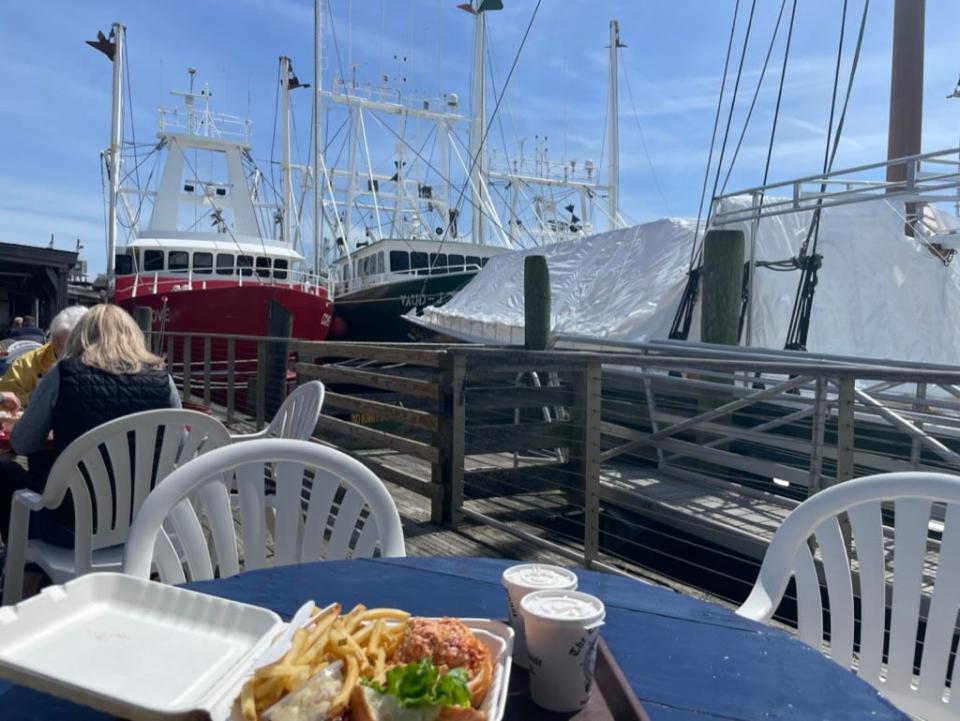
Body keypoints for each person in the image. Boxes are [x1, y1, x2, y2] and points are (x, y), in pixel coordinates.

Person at [1, 304, 181, 545]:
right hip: (145, 525)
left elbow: (22, 443)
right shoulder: (164, 380)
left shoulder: (62, 375)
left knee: (7, 472)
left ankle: (24, 569)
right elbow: (177, 447)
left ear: (81, 336)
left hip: (72, 528)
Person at [0, 306, 88, 407]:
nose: (80, 351)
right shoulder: (26, 364)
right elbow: (5, 401)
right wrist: (36, 397)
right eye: (72, 345)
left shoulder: (98, 364)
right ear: (54, 340)